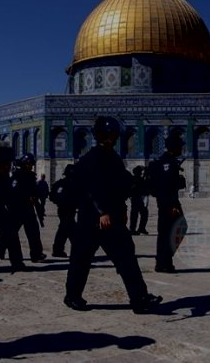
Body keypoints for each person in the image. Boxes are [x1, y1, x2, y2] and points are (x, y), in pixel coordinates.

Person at [64, 116, 162, 314]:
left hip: (113, 219)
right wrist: (102, 211)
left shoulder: (114, 159)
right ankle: (72, 296)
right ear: (99, 135)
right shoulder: (90, 159)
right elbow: (89, 187)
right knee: (81, 259)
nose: (110, 139)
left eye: (113, 136)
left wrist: (140, 187)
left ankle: (139, 298)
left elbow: (123, 184)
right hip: (91, 220)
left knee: (126, 257)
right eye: (107, 135)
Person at [0, 153, 47, 267]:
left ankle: (36, 254)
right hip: (17, 209)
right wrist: (26, 197)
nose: (30, 166)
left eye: (31, 164)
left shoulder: (31, 176)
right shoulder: (17, 176)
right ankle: (1, 246)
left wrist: (36, 198)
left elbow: (34, 191)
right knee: (11, 232)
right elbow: (13, 193)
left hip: (29, 209)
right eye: (28, 164)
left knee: (34, 232)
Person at [149, 133, 188, 273]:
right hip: (169, 203)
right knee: (179, 228)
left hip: (164, 203)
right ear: (175, 147)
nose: (181, 148)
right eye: (180, 146)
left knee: (165, 232)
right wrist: (172, 205)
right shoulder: (169, 163)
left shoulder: (163, 161)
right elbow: (166, 187)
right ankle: (165, 260)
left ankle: (162, 262)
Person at [50, 164, 77, 258]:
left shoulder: (59, 183)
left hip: (61, 209)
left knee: (63, 229)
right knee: (72, 231)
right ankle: (77, 251)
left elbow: (52, 196)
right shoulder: (73, 184)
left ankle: (58, 250)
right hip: (69, 210)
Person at [128, 165, 149, 235]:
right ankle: (133, 229)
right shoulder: (135, 179)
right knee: (135, 214)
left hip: (138, 199)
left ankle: (140, 228)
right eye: (140, 172)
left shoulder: (137, 178)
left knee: (144, 212)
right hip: (135, 199)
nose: (141, 173)